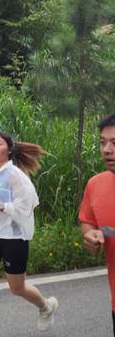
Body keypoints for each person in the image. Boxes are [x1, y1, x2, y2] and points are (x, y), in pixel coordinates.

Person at [0, 130, 58, 337]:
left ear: (9, 149)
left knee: (16, 287)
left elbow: (27, 206)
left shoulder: (16, 176)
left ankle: (46, 307)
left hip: (13, 238)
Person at [79, 113, 115, 336]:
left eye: (114, 143)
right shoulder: (95, 185)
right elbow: (87, 222)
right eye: (103, 142)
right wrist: (90, 236)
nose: (107, 149)